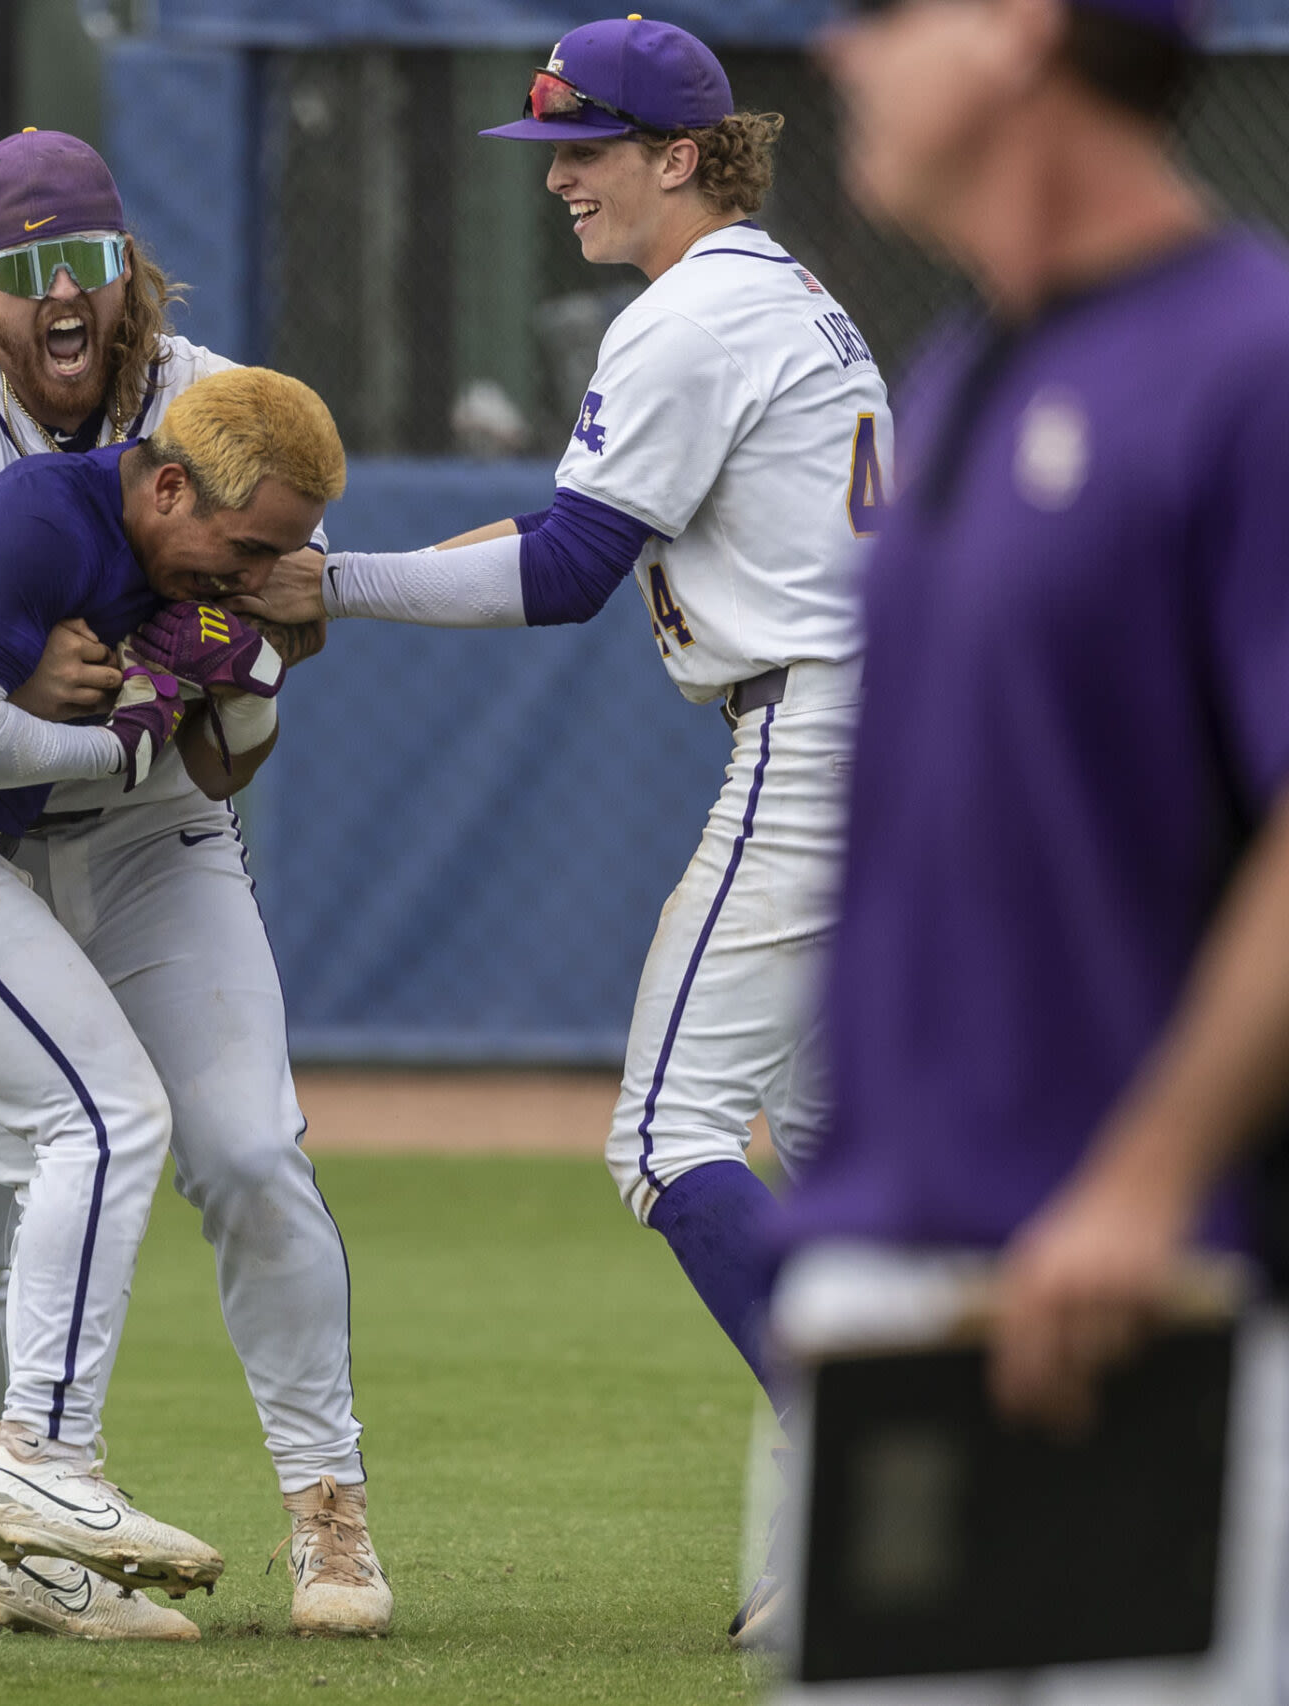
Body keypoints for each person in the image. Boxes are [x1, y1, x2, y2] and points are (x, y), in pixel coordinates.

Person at [769, 0, 1289, 1699]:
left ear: (1018, 29)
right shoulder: (969, 367)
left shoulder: (1279, 373)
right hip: (905, 1281)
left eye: (883, 15)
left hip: (1168, 1301)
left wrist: (1143, 1187)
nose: (842, 53)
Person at [237, 15, 888, 1645]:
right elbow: (564, 526)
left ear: (682, 153)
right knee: (823, 1150)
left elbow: (564, 572)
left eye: (586, 152)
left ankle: (881, 1462)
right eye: (551, 154)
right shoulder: (785, 291)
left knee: (665, 1134)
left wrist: (344, 581)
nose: (562, 184)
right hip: (887, 724)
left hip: (814, 731)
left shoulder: (691, 314)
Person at [0, 127, 388, 1640]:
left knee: (247, 1149)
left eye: (90, 266)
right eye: (29, 271)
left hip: (143, 825)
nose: (65, 299)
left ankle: (326, 1501)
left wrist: (275, 636)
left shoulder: (205, 396)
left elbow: (272, 599)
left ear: (127, 273)